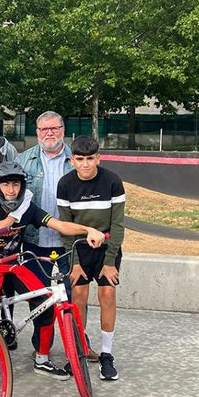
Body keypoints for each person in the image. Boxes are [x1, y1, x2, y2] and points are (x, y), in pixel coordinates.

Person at [0, 162, 105, 397]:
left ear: (22, 187)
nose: (11, 190)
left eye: (16, 184)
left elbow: (59, 224)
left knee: (44, 300)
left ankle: (41, 359)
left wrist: (87, 230)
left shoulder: (27, 208)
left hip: (14, 263)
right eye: (6, 185)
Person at [15, 111, 92, 360]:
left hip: (70, 244)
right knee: (40, 301)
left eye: (55, 128)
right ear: (37, 133)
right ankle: (41, 348)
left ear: (63, 129)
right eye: (44, 129)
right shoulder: (23, 161)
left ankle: (79, 345)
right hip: (34, 243)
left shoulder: (76, 159)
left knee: (74, 297)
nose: (50, 133)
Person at [57, 136, 125, 381]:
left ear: (98, 158)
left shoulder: (112, 181)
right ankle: (78, 353)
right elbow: (65, 226)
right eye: (80, 159)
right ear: (72, 160)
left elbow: (118, 225)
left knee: (107, 295)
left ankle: (107, 355)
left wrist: (109, 262)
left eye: (90, 159)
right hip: (79, 249)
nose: (85, 164)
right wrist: (74, 262)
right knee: (79, 298)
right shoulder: (65, 184)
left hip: (107, 250)